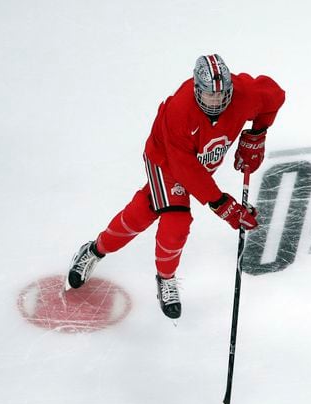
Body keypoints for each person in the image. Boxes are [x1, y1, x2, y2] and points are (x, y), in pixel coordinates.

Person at [65, 54, 285, 320]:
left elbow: (274, 96)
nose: (216, 102)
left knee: (144, 211)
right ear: (196, 90)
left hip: (196, 165)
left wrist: (257, 134)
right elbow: (184, 169)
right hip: (165, 160)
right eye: (209, 95)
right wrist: (222, 204)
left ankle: (94, 250)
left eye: (222, 94)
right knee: (176, 221)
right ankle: (165, 279)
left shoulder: (245, 95)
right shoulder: (180, 111)